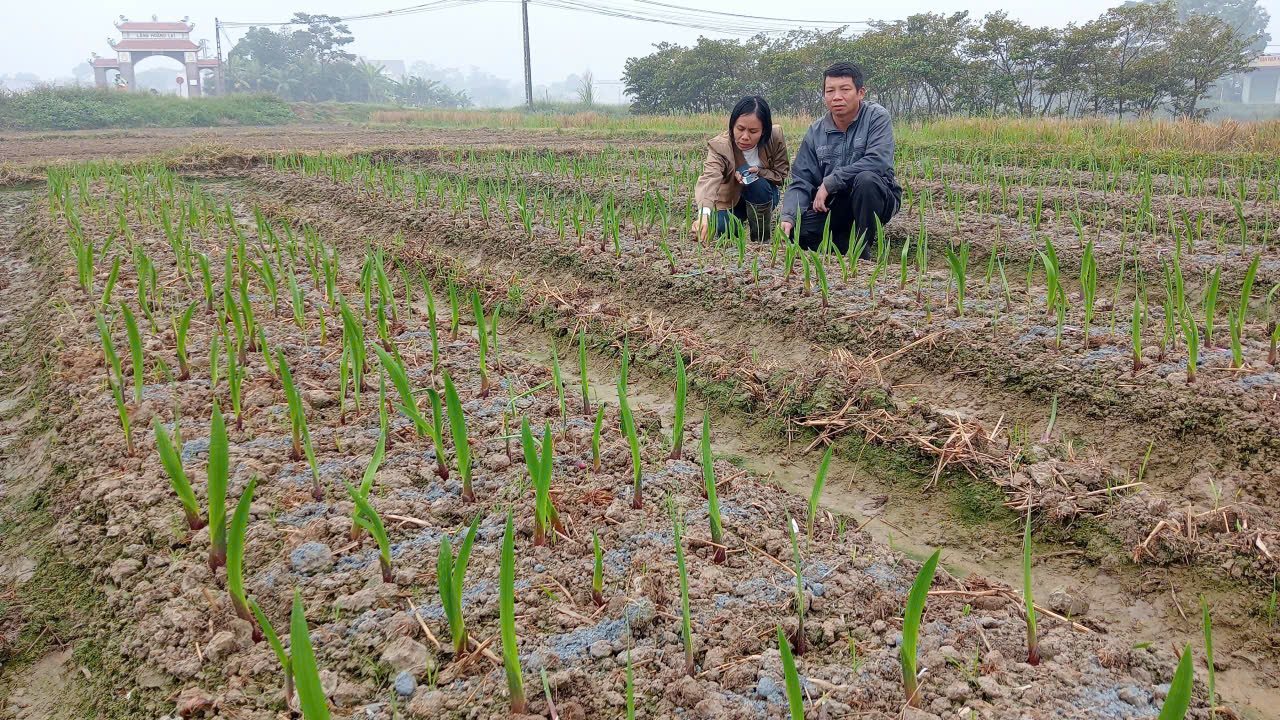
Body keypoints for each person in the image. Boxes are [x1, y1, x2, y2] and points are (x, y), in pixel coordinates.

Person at [780, 62, 902, 256]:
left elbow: (878, 161)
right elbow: (801, 180)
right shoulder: (816, 131)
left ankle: (862, 254)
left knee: (866, 180)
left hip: (875, 197)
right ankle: (842, 242)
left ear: (860, 92)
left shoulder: (876, 117)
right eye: (830, 91)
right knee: (797, 233)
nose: (837, 97)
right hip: (835, 204)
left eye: (845, 89)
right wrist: (789, 215)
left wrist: (830, 181)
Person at [691, 96, 789, 241]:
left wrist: (759, 171)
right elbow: (710, 177)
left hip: (763, 195)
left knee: (756, 183)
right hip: (730, 198)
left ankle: (761, 238)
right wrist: (704, 214)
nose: (745, 137)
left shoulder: (774, 137)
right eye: (740, 129)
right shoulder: (720, 146)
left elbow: (780, 175)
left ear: (763, 131)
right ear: (732, 125)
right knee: (724, 230)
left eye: (753, 131)